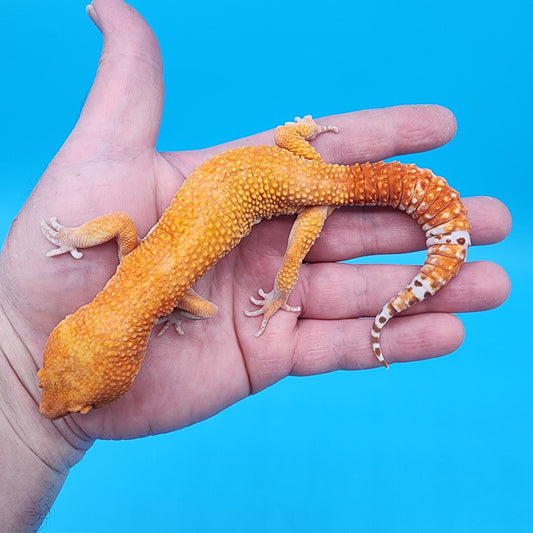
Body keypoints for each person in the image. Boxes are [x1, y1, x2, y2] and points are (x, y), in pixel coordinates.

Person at [0, 0, 511, 531]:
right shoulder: (133, 263)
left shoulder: (165, 293)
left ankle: (283, 295)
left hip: (308, 192)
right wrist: (80, 237)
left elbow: (196, 307)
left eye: (46, 383)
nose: (54, 403)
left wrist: (244, 302)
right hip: (290, 158)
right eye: (68, 397)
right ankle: (310, 174)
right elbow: (123, 230)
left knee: (292, 258)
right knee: (293, 236)